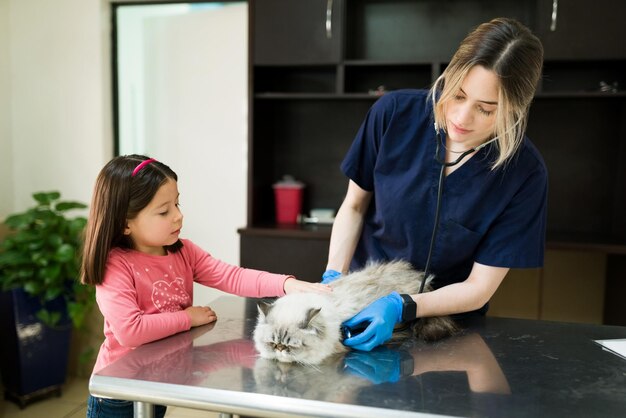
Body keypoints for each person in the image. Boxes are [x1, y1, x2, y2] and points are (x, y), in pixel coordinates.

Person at [322, 18, 547, 351]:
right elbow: (354, 206)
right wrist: (333, 280)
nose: (462, 118)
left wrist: (402, 305)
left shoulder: (525, 174)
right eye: (457, 95)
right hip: (359, 299)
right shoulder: (392, 114)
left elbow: (478, 287)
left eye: (485, 110)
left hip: (447, 329)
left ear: (514, 111)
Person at [81, 155, 330, 418]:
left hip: (155, 384)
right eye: (164, 211)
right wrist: (187, 318)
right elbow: (130, 332)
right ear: (125, 223)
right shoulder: (115, 265)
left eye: (177, 203)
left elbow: (232, 276)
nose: (178, 215)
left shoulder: (184, 252)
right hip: (119, 393)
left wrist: (286, 284)